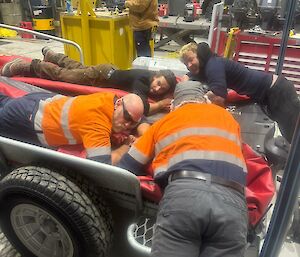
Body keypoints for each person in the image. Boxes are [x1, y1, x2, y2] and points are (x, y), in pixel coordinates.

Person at [118, 81, 248, 257]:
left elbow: (127, 166)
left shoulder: (163, 123)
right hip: (233, 203)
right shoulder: (228, 119)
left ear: (173, 106)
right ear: (204, 101)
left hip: (185, 196)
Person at [179, 42, 300, 143]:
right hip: (270, 94)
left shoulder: (213, 65)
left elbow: (219, 96)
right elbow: (196, 76)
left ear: (199, 55)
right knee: (291, 135)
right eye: (186, 64)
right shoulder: (209, 64)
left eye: (191, 60)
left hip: (278, 91)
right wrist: (187, 77)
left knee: (294, 135)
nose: (189, 65)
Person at [1, 47, 177, 116]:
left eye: (162, 89)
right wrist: (162, 104)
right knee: (64, 76)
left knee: (75, 67)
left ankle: (53, 56)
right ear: (155, 75)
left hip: (106, 71)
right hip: (101, 77)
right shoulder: (143, 80)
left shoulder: (149, 80)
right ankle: (28, 66)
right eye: (159, 83)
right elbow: (143, 108)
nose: (157, 89)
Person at [0, 91, 144, 165]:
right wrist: (125, 146)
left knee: (4, 102)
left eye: (132, 123)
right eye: (126, 117)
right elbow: (102, 164)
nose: (127, 125)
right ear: (118, 103)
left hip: (38, 102)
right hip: (25, 117)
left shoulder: (108, 99)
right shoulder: (97, 124)